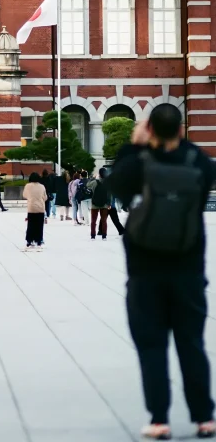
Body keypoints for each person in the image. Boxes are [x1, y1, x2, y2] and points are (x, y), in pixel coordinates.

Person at [109, 104, 216, 441]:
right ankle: (204, 418)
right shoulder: (197, 161)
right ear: (181, 130)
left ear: (150, 130)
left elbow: (115, 187)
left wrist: (136, 145)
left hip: (145, 272)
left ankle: (159, 420)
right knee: (192, 344)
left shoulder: (138, 162)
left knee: (152, 346)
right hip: (188, 269)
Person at [23, 172, 47, 250]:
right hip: (40, 208)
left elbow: (24, 195)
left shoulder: (27, 186)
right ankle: (39, 241)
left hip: (31, 208)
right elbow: (45, 197)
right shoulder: (42, 186)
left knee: (30, 225)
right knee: (39, 226)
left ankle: (29, 241)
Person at [86, 168, 110, 240]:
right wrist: (109, 203)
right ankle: (104, 236)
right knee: (104, 220)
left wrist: (92, 177)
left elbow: (87, 185)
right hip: (104, 204)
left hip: (94, 203)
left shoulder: (94, 182)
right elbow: (109, 194)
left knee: (93, 221)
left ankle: (93, 235)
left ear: (99, 174)